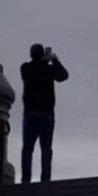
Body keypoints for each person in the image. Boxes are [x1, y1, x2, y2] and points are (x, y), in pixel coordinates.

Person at [21, 43, 69, 183]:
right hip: (46, 113)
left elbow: (32, 73)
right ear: (43, 54)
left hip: (30, 114)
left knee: (27, 149)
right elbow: (63, 76)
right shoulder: (49, 69)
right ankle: (45, 179)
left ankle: (26, 179)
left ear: (31, 54)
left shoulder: (25, 68)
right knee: (46, 149)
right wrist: (54, 60)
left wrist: (45, 62)